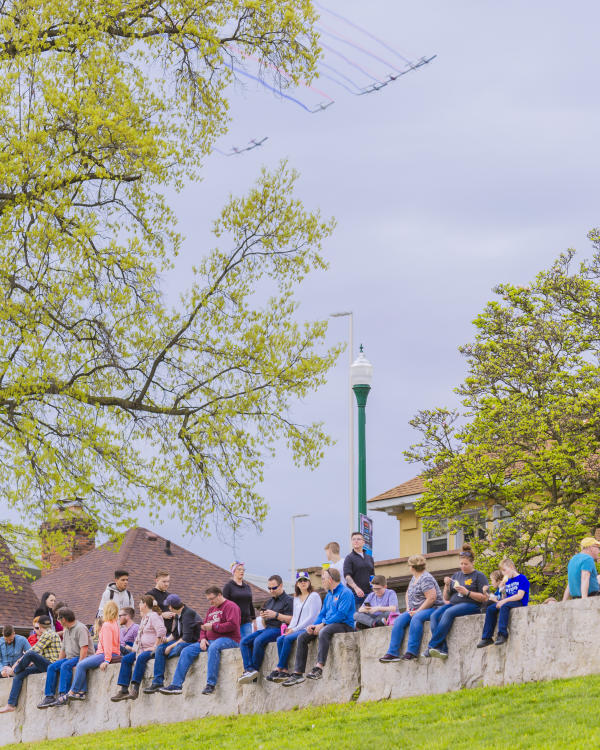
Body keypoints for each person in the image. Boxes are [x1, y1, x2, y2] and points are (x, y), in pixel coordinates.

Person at [159, 586, 241, 696]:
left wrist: (213, 626)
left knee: (214, 647)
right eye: (208, 599)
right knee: (187, 650)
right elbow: (203, 628)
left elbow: (232, 625)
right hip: (209, 640)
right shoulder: (211, 610)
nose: (210, 602)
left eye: (212, 599)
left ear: (220, 595)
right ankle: (176, 685)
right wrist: (202, 639)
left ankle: (210, 684)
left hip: (229, 639)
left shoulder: (231, 606)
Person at [282, 567, 354, 686]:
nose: (322, 581)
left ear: (330, 579)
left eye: (323, 578)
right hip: (328, 623)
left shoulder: (345, 592)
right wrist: (314, 625)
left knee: (324, 631)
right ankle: (298, 674)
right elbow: (322, 614)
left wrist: (323, 624)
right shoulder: (329, 595)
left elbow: (341, 614)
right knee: (302, 637)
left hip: (344, 624)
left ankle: (319, 668)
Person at [425, 543, 488, 660]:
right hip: (453, 603)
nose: (463, 566)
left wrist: (467, 592)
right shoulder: (456, 575)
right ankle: (442, 649)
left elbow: (484, 598)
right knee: (434, 615)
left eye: (466, 564)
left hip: (471, 605)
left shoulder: (479, 576)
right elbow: (447, 598)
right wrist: (447, 585)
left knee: (448, 613)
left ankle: (432, 645)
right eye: (461, 564)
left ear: (472, 563)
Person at [379, 555, 444, 662]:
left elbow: (431, 598)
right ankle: (392, 653)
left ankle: (412, 652)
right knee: (399, 620)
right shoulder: (415, 577)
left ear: (412, 567)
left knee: (416, 618)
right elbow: (407, 593)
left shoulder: (426, 578)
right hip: (415, 609)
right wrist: (409, 608)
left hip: (433, 608)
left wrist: (418, 611)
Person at [266, 571, 322, 683]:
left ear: (309, 582)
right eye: (300, 581)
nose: (303, 583)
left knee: (287, 638)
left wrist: (294, 629)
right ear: (297, 584)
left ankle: (278, 667)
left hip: (307, 628)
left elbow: (311, 617)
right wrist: (289, 628)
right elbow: (295, 617)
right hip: (296, 627)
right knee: (280, 638)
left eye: (305, 580)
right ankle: (285, 671)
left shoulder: (314, 596)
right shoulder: (296, 598)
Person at [61, 600, 121, 702]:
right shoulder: (115, 624)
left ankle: (72, 691)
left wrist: (106, 660)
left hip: (106, 654)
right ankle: (81, 693)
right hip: (113, 652)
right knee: (84, 664)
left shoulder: (106, 625)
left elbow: (107, 644)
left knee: (80, 665)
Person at [238, 575, 293, 684]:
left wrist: (276, 615)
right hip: (268, 628)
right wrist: (263, 617)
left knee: (258, 641)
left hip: (280, 629)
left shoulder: (289, 600)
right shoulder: (269, 602)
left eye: (274, 588)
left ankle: (255, 670)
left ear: (281, 585)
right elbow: (264, 624)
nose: (271, 591)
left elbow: (292, 620)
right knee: (244, 641)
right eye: (269, 588)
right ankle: (249, 670)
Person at [111, 595, 167, 701]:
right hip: (141, 649)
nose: (139, 605)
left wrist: (155, 646)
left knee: (141, 658)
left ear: (144, 604)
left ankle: (135, 688)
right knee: (126, 659)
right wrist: (134, 648)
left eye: (140, 603)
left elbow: (161, 630)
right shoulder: (145, 617)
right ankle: (123, 690)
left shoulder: (154, 616)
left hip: (151, 650)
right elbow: (139, 636)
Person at [0, 615, 61, 713]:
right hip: (44, 664)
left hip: (51, 665)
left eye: (37, 627)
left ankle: (13, 671)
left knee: (30, 654)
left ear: (40, 626)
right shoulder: (47, 634)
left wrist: (14, 667)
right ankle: (11, 704)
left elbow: (33, 651)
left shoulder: (48, 634)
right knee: (20, 675)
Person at [143, 594, 201, 693]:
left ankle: (160, 654)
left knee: (177, 647)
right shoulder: (178, 615)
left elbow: (186, 638)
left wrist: (170, 647)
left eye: (168, 606)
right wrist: (166, 640)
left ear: (171, 606)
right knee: (161, 648)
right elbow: (175, 634)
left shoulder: (188, 614)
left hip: (191, 642)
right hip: (181, 640)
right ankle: (157, 682)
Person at [37, 608, 94, 708]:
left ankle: (63, 696)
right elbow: (63, 650)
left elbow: (84, 648)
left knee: (65, 666)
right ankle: (49, 696)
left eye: (59, 619)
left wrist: (80, 664)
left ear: (63, 619)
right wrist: (57, 663)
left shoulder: (80, 628)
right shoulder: (66, 630)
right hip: (70, 657)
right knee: (52, 667)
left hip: (82, 656)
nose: (58, 622)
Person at [477, 558, 530, 647]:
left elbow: (519, 596)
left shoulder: (522, 578)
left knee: (504, 606)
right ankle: (487, 637)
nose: (504, 574)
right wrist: (501, 589)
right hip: (508, 602)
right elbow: (503, 598)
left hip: (519, 602)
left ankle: (502, 634)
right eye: (503, 572)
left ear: (512, 567)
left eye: (505, 570)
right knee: (490, 609)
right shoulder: (508, 582)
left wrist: (504, 601)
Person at [223, 562, 255, 639]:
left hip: (246, 621)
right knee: (237, 644)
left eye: (243, 570)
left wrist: (254, 618)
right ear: (233, 571)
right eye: (239, 569)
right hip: (234, 621)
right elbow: (224, 605)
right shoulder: (228, 586)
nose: (242, 571)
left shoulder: (247, 587)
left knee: (248, 642)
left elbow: (250, 603)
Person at [343, 532, 375, 609]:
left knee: (370, 617)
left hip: (369, 594)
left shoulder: (369, 558)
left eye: (358, 539)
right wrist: (356, 588)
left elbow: (372, 576)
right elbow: (347, 576)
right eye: (353, 539)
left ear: (363, 542)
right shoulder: (349, 558)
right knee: (358, 619)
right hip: (355, 595)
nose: (356, 541)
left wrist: (374, 589)